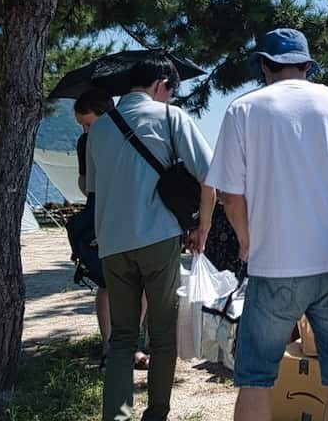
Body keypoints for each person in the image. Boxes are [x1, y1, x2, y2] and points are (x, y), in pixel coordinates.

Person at [205, 28, 328, 421]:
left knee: (256, 378)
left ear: (265, 67)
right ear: (306, 66)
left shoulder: (243, 109)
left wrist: (246, 241)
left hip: (273, 263)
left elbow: (230, 196)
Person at [87, 55, 216, 421]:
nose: (171, 99)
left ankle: (117, 416)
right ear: (161, 85)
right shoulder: (172, 118)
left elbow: (92, 188)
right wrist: (202, 227)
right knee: (161, 335)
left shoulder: (100, 127)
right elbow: (210, 177)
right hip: (158, 238)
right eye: (171, 92)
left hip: (112, 243)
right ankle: (156, 414)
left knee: (122, 337)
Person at [72, 88, 149, 371]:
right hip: (104, 215)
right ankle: (109, 346)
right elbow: (85, 183)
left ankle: (128, 344)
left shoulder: (130, 134)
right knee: (106, 282)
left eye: (88, 123)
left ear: (104, 114)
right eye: (82, 125)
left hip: (131, 214)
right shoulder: (86, 142)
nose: (85, 130)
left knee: (141, 282)